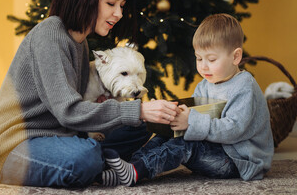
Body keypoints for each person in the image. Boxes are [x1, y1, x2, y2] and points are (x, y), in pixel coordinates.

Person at [0, 0, 179, 188]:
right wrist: (139, 109)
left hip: (61, 135)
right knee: (85, 157)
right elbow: (69, 111)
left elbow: (74, 107)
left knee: (138, 127)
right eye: (111, 3)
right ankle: (102, 162)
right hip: (18, 144)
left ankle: (106, 163)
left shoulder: (80, 42)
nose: (119, 14)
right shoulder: (50, 34)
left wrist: (116, 108)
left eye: (121, 6)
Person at [100, 13, 274, 186]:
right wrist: (177, 117)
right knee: (164, 136)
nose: (203, 65)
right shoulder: (205, 84)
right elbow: (198, 116)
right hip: (213, 149)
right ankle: (132, 167)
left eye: (211, 59)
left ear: (236, 57)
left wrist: (190, 121)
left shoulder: (245, 86)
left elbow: (234, 129)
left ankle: (138, 169)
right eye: (199, 58)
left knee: (185, 144)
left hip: (237, 160)